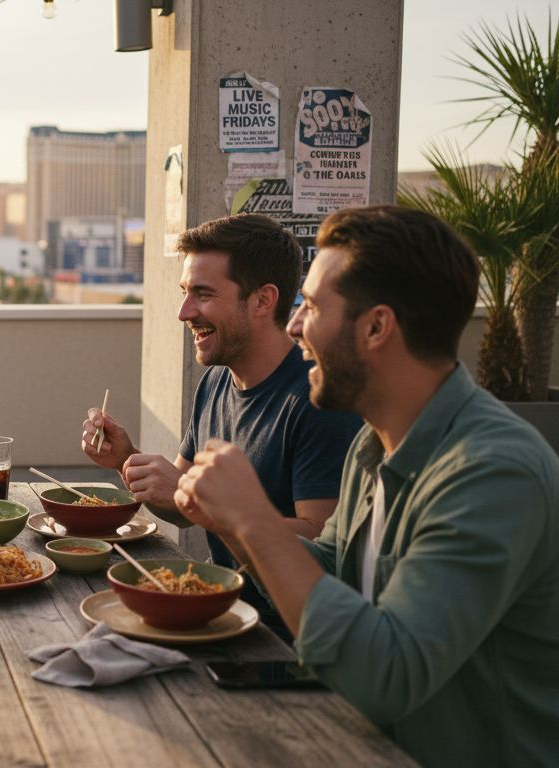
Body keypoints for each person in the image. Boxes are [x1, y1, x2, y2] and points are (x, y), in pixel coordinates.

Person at [175, 206, 559, 765]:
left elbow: (387, 673)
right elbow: (333, 572)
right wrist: (228, 521)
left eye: (311, 306)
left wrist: (254, 519)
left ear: (377, 327)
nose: (294, 324)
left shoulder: (491, 473)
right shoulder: (374, 443)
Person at [81, 213, 362, 638]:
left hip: (281, 640)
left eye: (203, 294)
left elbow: (320, 546)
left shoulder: (317, 399)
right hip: (216, 615)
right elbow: (180, 508)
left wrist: (207, 504)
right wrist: (126, 459)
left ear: (264, 300)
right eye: (184, 293)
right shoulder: (215, 379)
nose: (183, 312)